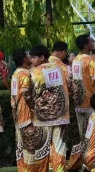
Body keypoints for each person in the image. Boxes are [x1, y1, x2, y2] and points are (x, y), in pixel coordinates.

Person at [31, 42, 72, 172]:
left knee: (42, 148)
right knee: (59, 147)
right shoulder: (61, 68)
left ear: (42, 57)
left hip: (42, 117)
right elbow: (71, 86)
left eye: (33, 57)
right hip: (61, 115)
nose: (31, 61)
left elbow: (30, 94)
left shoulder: (34, 72)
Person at [11, 48, 49, 172]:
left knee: (23, 147)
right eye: (28, 56)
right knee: (31, 148)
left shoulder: (16, 73)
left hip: (19, 115)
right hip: (27, 115)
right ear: (24, 59)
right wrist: (36, 108)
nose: (30, 58)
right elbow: (26, 93)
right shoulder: (25, 73)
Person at [71, 35, 95, 146]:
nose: (93, 43)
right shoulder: (90, 60)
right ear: (86, 46)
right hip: (91, 103)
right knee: (94, 132)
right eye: (91, 42)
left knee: (83, 133)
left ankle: (85, 153)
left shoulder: (76, 59)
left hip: (79, 102)